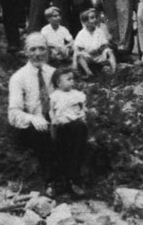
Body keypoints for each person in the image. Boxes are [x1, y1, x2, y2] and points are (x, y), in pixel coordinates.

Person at [8, 33, 55, 187]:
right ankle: (49, 182)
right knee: (41, 133)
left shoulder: (54, 74)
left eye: (42, 48)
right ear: (26, 52)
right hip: (31, 127)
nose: (38, 53)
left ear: (48, 50)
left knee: (77, 127)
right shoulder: (18, 77)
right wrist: (34, 119)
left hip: (54, 120)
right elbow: (13, 113)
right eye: (33, 49)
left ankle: (75, 177)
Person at [49, 67, 88, 196]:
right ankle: (60, 182)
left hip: (75, 123)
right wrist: (53, 119)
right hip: (61, 124)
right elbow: (51, 110)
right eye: (68, 79)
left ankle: (74, 180)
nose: (72, 82)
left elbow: (82, 108)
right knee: (60, 150)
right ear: (59, 83)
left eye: (73, 79)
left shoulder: (77, 94)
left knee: (78, 131)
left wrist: (83, 115)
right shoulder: (55, 95)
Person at [73, 9, 116, 75]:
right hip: (88, 56)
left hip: (99, 55)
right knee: (79, 55)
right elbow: (78, 47)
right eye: (92, 18)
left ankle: (114, 71)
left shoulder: (99, 31)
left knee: (109, 51)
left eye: (95, 17)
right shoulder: (81, 33)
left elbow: (104, 45)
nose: (95, 20)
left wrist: (100, 50)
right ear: (85, 22)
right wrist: (86, 52)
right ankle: (88, 72)